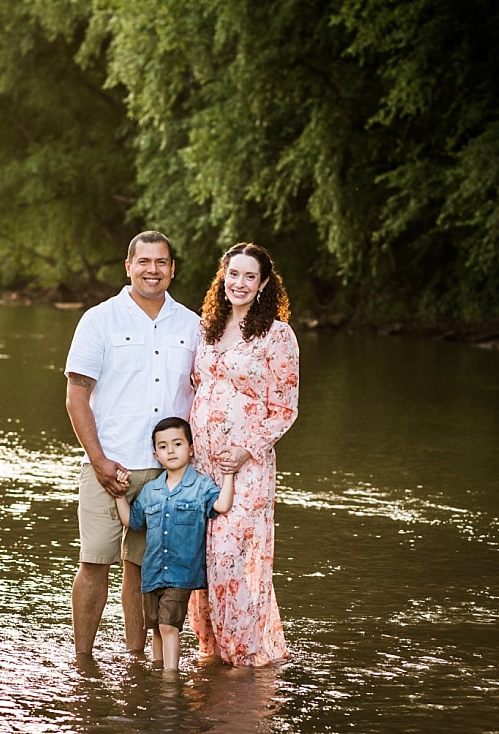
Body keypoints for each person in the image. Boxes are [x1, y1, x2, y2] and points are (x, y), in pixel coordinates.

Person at [64, 231, 200, 657]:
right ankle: (82, 660)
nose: (152, 270)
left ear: (173, 269)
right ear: (129, 266)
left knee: (144, 571)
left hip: (167, 472)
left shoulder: (193, 326)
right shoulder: (99, 319)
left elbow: (205, 396)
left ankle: (136, 660)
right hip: (110, 464)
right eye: (144, 262)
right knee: (94, 562)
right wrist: (99, 460)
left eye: (161, 262)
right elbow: (76, 397)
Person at [186, 242, 300, 667]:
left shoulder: (276, 334)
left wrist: (246, 448)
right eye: (233, 274)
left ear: (264, 283)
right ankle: (211, 651)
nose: (239, 283)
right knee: (203, 560)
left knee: (231, 558)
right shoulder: (208, 329)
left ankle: (245, 656)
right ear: (223, 276)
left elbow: (285, 409)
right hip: (201, 466)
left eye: (250, 276)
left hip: (246, 467)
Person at [113, 417, 235, 672]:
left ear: (191, 448)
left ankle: (170, 680)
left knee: (169, 625)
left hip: (182, 573)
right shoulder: (151, 490)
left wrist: (229, 476)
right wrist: (120, 495)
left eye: (177, 444)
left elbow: (222, 506)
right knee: (157, 627)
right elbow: (131, 522)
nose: (171, 450)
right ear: (156, 454)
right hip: (153, 573)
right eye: (164, 446)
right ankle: (156, 674)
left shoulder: (200, 485)